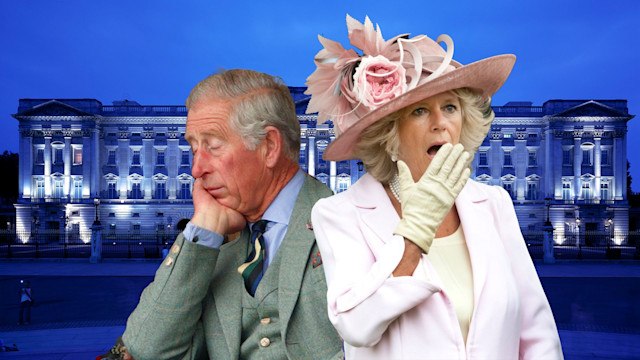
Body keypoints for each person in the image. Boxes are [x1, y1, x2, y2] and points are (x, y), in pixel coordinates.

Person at [305, 15, 563, 359]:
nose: (441, 123)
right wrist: (415, 231)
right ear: (388, 130)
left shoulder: (493, 202)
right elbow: (355, 325)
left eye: (451, 107)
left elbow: (536, 333)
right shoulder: (339, 213)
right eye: (420, 110)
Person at [112, 69, 342, 359]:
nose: (196, 170)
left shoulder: (346, 222)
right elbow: (144, 350)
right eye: (194, 148)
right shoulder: (211, 244)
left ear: (269, 146)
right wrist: (203, 229)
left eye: (213, 146)